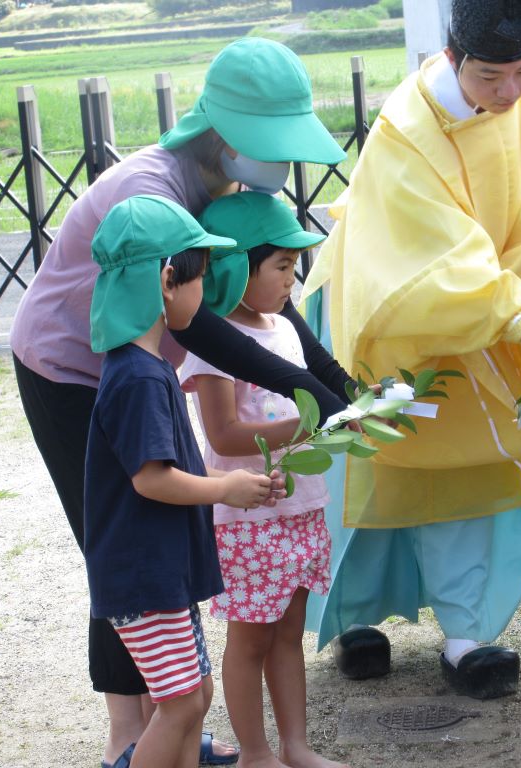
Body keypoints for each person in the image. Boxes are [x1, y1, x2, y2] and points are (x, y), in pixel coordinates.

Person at [9, 38, 352, 767]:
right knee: (122, 552)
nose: (282, 165)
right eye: (272, 145)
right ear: (226, 139)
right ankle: (129, 737)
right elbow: (207, 330)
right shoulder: (151, 199)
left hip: (139, 370)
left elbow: (249, 310)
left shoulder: (221, 189)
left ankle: (171, 722)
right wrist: (310, 395)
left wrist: (332, 386)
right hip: (70, 371)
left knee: (158, 550)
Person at [300, 0, 521, 700]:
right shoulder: (408, 128)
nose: (509, 92)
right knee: (382, 463)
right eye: (491, 76)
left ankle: (470, 633)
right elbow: (438, 254)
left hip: (489, 310)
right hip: (391, 303)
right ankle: (358, 619)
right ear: (452, 59)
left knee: (477, 464)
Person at [84, 195, 283, 768]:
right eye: (201, 275)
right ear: (168, 279)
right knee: (178, 705)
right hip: (144, 576)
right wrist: (227, 487)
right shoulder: (139, 377)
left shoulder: (145, 366)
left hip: (159, 570)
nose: (206, 292)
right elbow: (151, 480)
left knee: (193, 697)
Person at [179, 192, 348, 768]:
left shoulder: (283, 327)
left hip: (300, 505)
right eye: (280, 267)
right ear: (234, 269)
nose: (290, 281)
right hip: (247, 517)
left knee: (289, 633)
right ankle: (255, 752)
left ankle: (296, 746)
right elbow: (223, 435)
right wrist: (303, 426)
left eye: (293, 268)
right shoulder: (214, 344)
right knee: (250, 638)